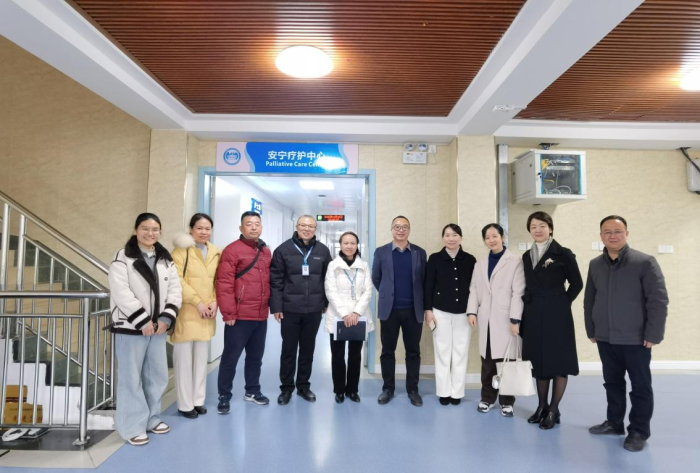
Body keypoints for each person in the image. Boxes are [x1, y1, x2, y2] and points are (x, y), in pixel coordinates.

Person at [585, 215, 668, 452]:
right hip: (605, 337)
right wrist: (591, 328)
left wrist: (654, 334)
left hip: (636, 338)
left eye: (617, 231)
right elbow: (589, 299)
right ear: (601, 235)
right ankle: (614, 423)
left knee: (640, 386)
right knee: (612, 383)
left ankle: (638, 430)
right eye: (607, 232)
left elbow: (658, 300)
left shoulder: (644, 262)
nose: (612, 236)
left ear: (627, 234)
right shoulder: (595, 264)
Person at [108, 213, 182, 446]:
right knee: (131, 378)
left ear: (160, 232)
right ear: (135, 230)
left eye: (155, 229)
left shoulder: (165, 259)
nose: (150, 233)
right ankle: (132, 426)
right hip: (131, 327)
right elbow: (120, 291)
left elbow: (175, 290)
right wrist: (142, 320)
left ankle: (151, 418)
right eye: (145, 228)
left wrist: (166, 318)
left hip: (158, 328)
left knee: (157, 376)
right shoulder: (123, 257)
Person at [520, 212, 583, 429]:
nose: (538, 230)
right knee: (539, 361)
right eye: (533, 226)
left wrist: (562, 302)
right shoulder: (526, 256)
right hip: (533, 312)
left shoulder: (563, 253)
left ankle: (554, 410)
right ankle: (542, 406)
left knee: (558, 361)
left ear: (550, 228)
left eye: (542, 225)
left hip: (557, 313)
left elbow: (577, 283)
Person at [271, 214, 332, 405]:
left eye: (311, 226)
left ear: (315, 229)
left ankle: (303, 386)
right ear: (297, 226)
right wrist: (276, 307)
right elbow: (276, 280)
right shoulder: (283, 250)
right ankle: (286, 388)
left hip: (314, 309)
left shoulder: (322, 250)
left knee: (308, 349)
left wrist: (325, 303)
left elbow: (328, 279)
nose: (307, 229)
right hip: (290, 308)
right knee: (288, 350)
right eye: (303, 225)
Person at [215, 211, 272, 414]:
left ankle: (252, 391)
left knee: (255, 357)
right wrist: (228, 313)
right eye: (249, 224)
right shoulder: (232, 251)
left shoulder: (265, 251)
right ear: (241, 228)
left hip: (261, 315)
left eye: (257, 224)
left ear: (261, 227)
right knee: (230, 358)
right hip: (239, 316)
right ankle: (224, 395)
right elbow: (224, 283)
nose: (254, 227)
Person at [466, 223, 525, 417]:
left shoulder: (515, 261)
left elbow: (518, 292)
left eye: (495, 236)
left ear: (502, 237)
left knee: (506, 361)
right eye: (487, 237)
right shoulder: (480, 264)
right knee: (488, 362)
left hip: (506, 320)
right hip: (486, 319)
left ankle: (507, 402)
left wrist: (515, 319)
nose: (491, 240)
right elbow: (474, 289)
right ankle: (487, 398)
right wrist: (472, 312)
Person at [372, 215, 427, 407]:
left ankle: (413, 390)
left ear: (409, 230)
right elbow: (376, 278)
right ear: (391, 229)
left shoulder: (420, 252)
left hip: (413, 310)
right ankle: (388, 388)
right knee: (388, 351)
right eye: (397, 226)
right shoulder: (381, 252)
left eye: (404, 227)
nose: (400, 230)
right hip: (390, 311)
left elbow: (423, 279)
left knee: (413, 352)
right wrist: (388, 294)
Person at [171, 213, 221, 419]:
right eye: (199, 228)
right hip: (187, 311)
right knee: (183, 361)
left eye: (207, 228)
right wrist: (197, 302)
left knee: (201, 360)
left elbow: (219, 281)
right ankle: (185, 404)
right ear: (191, 229)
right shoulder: (181, 250)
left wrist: (215, 301)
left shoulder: (215, 252)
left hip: (207, 312)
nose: (204, 232)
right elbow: (177, 280)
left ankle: (198, 400)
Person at [424, 223, 476, 406]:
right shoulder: (435, 258)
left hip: (464, 313)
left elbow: (474, 288)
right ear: (443, 238)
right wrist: (428, 310)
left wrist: (473, 311)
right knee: (442, 352)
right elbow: (428, 285)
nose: (451, 238)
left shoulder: (470, 259)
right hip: (440, 312)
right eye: (447, 235)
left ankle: (457, 393)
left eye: (454, 235)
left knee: (461, 353)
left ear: (461, 238)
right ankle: (444, 392)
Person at [324, 231, 374, 403]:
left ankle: (352, 390)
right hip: (338, 316)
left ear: (357, 245)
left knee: (355, 355)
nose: (349, 246)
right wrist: (345, 313)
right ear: (340, 245)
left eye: (352, 243)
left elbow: (368, 291)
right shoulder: (333, 266)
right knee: (337, 355)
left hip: (358, 316)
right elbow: (330, 291)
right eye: (346, 243)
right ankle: (339, 390)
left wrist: (356, 312)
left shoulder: (364, 266)